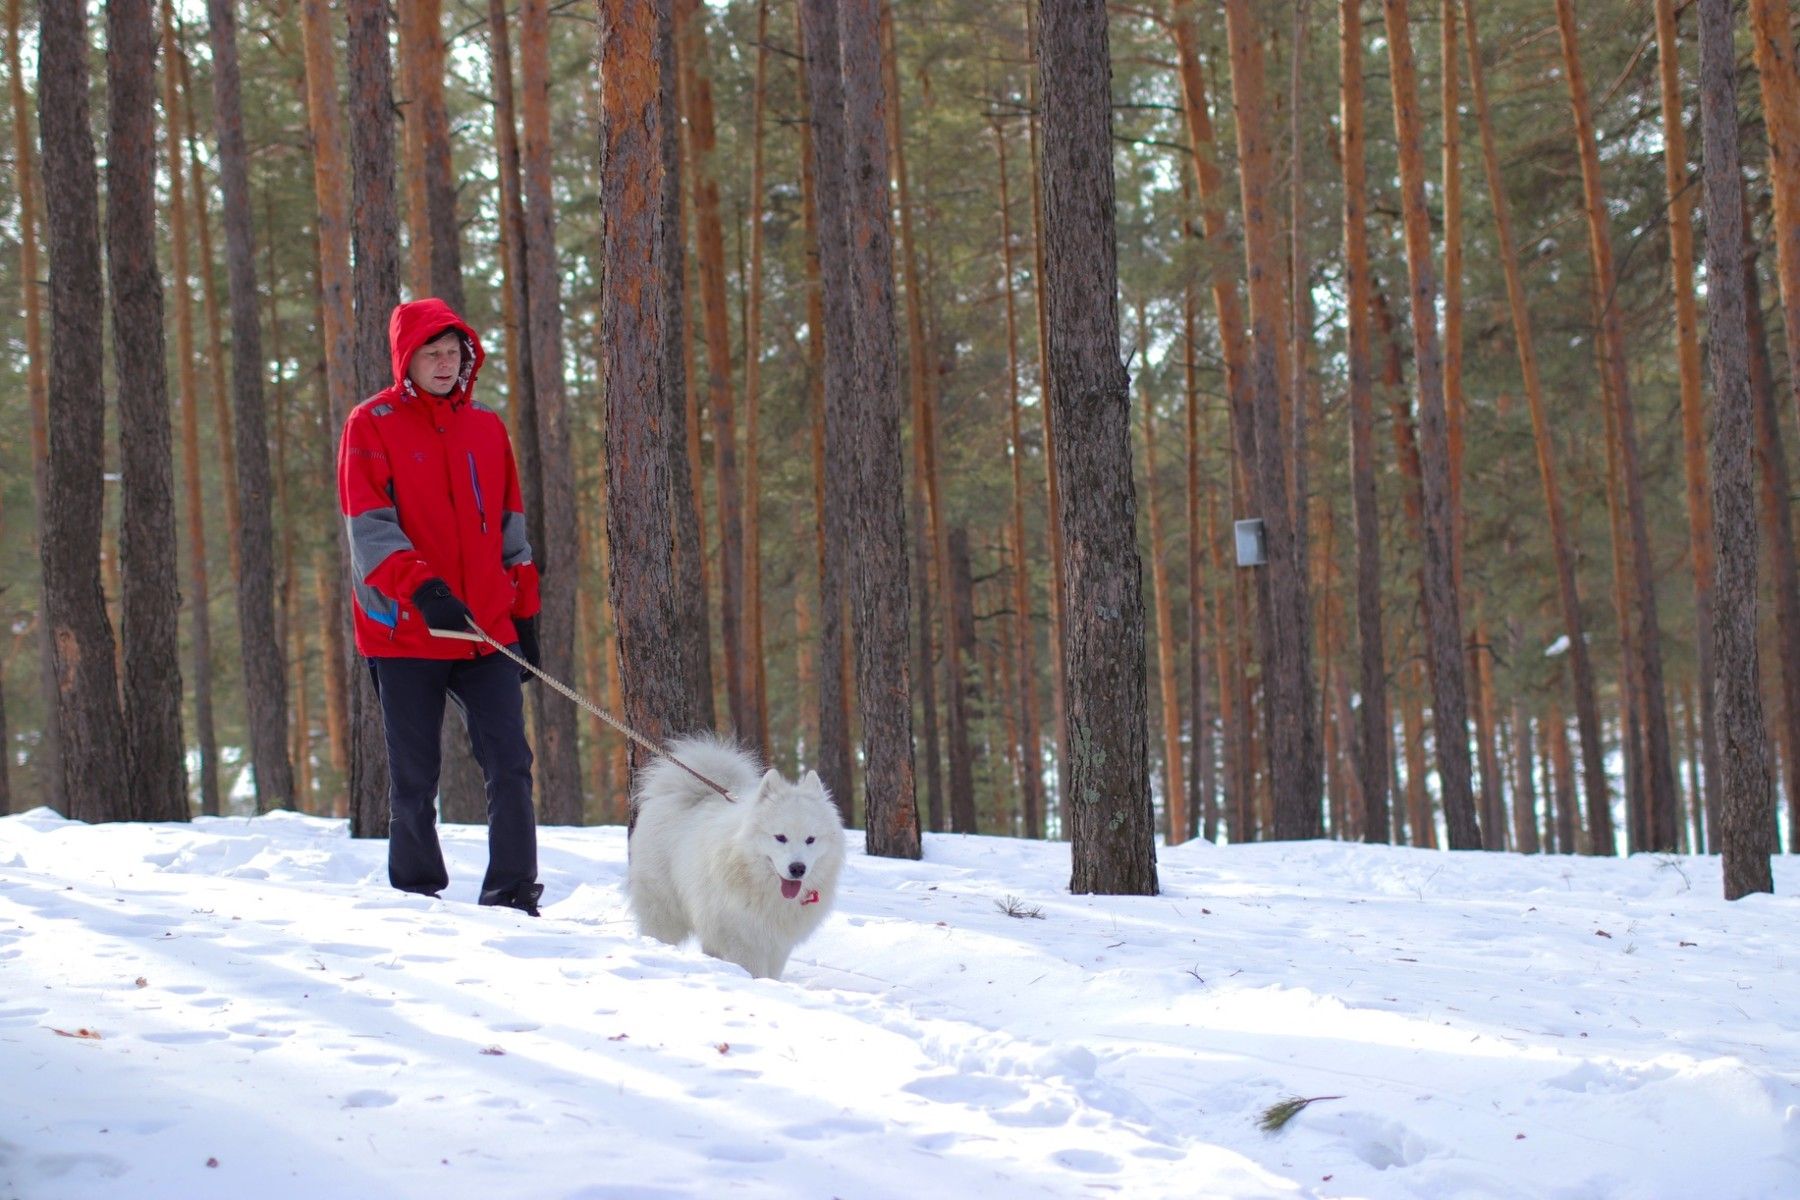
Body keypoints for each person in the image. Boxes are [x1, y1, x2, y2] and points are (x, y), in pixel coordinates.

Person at [337, 297, 545, 915]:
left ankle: (511, 891)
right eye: (432, 352)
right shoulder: (370, 423)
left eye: (454, 352)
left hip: (484, 632)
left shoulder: (486, 426)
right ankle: (417, 891)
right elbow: (368, 530)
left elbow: (512, 526)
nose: (445, 363)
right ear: (408, 357)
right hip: (405, 631)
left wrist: (523, 612)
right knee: (414, 776)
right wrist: (425, 591)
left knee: (510, 763)